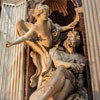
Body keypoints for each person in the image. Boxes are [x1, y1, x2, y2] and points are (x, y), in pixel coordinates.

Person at [29, 31, 87, 100]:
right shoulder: (58, 52)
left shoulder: (81, 58)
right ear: (67, 39)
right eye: (73, 36)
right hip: (61, 79)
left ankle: (43, 98)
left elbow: (81, 77)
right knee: (66, 83)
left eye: (78, 37)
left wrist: (80, 90)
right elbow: (57, 63)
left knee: (62, 69)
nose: (78, 38)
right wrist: (72, 64)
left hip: (72, 78)